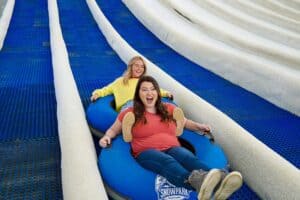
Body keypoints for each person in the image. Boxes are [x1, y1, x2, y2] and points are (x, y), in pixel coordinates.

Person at [99, 76, 243, 200]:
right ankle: (199, 181)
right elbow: (112, 130)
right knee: (168, 162)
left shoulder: (168, 108)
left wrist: (199, 126)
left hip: (171, 147)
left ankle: (221, 180)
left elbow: (185, 123)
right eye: (144, 89)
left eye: (152, 89)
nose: (149, 92)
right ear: (138, 94)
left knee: (188, 157)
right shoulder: (130, 113)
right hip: (146, 151)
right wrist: (106, 137)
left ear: (157, 92)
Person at [90, 56, 172, 112]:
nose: (139, 69)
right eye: (136, 65)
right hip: (129, 106)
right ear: (131, 67)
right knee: (135, 106)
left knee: (158, 105)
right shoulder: (120, 81)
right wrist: (96, 94)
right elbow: (106, 90)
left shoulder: (144, 81)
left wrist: (166, 93)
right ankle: (131, 125)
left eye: (142, 66)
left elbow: (155, 90)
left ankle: (174, 118)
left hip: (144, 104)